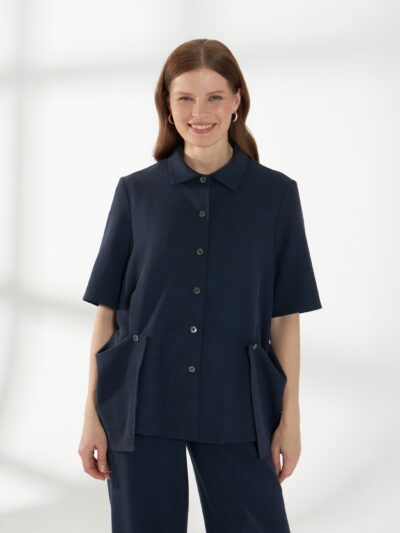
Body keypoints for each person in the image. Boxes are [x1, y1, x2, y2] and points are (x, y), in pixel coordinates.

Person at [78, 38, 322, 533]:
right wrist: (92, 415)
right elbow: (107, 312)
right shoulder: (136, 193)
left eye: (214, 97)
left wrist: (289, 418)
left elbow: (285, 317)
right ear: (167, 106)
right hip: (142, 403)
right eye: (185, 98)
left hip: (239, 402)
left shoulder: (276, 195)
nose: (199, 112)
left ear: (237, 101)